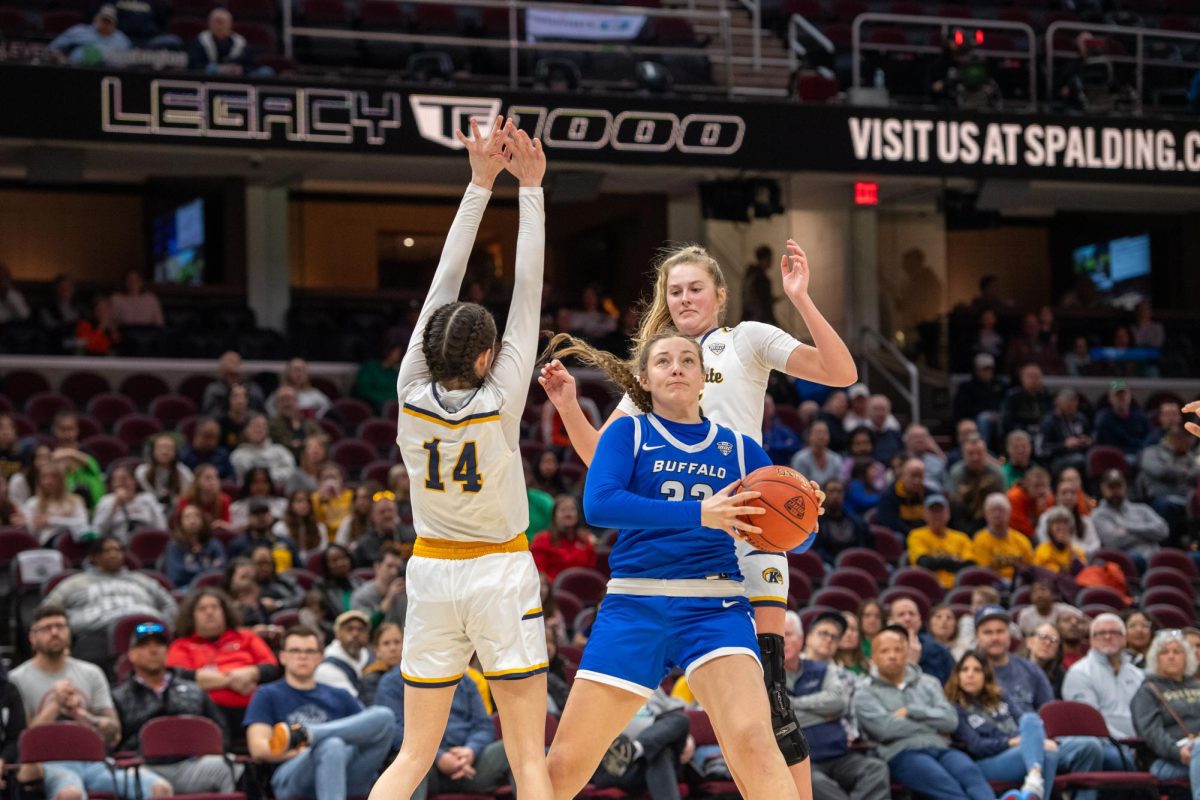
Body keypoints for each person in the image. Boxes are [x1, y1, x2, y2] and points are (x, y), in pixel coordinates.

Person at [539, 171, 854, 795]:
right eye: (674, 291)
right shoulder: (652, 372)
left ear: (718, 295)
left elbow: (839, 371)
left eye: (695, 289)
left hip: (751, 524)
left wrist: (801, 298)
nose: (685, 299)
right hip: (670, 545)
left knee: (769, 704)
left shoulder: (747, 342)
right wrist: (571, 407)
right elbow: (604, 466)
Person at [363, 121, 555, 800]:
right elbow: (526, 293)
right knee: (529, 758)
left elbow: (438, 293)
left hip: (432, 573)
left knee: (413, 755)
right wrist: (529, 191)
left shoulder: (408, 393)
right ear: (484, 357)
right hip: (498, 569)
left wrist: (478, 184)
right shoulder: (500, 399)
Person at [536, 328, 803, 800]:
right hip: (635, 604)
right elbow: (599, 505)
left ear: (705, 378)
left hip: (714, 606)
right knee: (563, 766)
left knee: (757, 744)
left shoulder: (739, 449)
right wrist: (701, 513)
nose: (676, 367)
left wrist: (808, 509)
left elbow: (792, 535)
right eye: (663, 361)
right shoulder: (629, 431)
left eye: (687, 360)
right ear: (644, 378)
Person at [12, 604, 172, 799]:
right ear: (32, 637)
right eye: (46, 628)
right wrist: (55, 705)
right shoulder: (17, 679)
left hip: (95, 762)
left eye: (60, 626)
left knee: (160, 788)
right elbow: (21, 742)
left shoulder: (91, 673)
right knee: (71, 793)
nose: (55, 632)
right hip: (48, 765)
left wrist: (79, 714)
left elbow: (114, 733)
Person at [246, 626, 395, 800]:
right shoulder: (267, 694)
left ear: (320, 657)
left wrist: (311, 740)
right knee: (332, 745)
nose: (302, 656)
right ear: (283, 657)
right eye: (295, 651)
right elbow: (258, 749)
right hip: (294, 775)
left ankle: (306, 734)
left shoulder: (340, 695)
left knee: (385, 716)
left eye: (310, 651)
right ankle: (314, 738)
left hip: (349, 773)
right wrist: (309, 750)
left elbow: (371, 731)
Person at [856, 625, 994, 800]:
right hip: (902, 753)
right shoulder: (865, 693)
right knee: (947, 787)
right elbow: (885, 729)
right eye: (884, 651)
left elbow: (951, 721)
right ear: (873, 658)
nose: (892, 656)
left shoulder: (929, 683)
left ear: (906, 653)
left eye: (898, 650)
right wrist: (931, 723)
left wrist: (911, 711)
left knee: (970, 772)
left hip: (941, 748)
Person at [113, 621, 240, 794]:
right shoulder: (119, 697)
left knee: (230, 767)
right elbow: (115, 743)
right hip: (145, 768)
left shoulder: (194, 690)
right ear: (132, 654)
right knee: (128, 777)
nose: (154, 650)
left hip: (191, 765)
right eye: (145, 645)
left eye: (159, 644)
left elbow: (220, 731)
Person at [374, 645, 514, 799]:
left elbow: (484, 726)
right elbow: (395, 730)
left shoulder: (466, 682)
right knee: (408, 765)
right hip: (426, 763)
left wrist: (470, 751)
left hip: (468, 764)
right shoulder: (392, 682)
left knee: (513, 748)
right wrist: (438, 757)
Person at [785, 612, 890, 800]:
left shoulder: (828, 670)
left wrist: (793, 704)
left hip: (838, 753)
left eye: (834, 637)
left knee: (876, 769)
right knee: (813, 782)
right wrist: (823, 714)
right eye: (823, 633)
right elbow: (777, 718)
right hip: (802, 759)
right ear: (807, 638)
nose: (828, 640)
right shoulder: (769, 673)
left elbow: (838, 704)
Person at [44, 535, 177, 663]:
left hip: (148, 633)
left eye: (117, 550)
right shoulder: (74, 583)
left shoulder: (143, 580)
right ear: (94, 557)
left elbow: (170, 604)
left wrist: (165, 625)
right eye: (107, 551)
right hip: (96, 636)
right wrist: (70, 627)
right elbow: (48, 610)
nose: (113, 554)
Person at [166, 588, 280, 735]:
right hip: (207, 712)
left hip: (255, 709)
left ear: (225, 612)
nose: (209, 612)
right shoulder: (181, 646)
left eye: (214, 607)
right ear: (191, 616)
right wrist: (233, 679)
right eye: (202, 609)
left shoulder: (246, 637)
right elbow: (179, 676)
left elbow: (271, 667)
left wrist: (251, 672)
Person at [947, 650, 1057, 798]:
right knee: (1045, 751)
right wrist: (1012, 742)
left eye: (977, 670)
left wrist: (1031, 741)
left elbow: (1025, 722)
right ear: (957, 675)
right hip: (986, 762)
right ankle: (1034, 780)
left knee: (1031, 720)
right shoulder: (954, 707)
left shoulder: (1000, 696)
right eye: (964, 669)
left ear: (986, 675)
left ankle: (1033, 781)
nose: (970, 675)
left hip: (1022, 750)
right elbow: (976, 746)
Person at [1062, 613, 1146, 767]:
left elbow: (1147, 715)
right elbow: (1090, 723)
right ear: (1091, 640)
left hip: (1140, 744)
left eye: (1114, 632)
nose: (1108, 637)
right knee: (1122, 760)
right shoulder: (1080, 672)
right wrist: (1127, 743)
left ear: (1124, 638)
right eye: (1101, 633)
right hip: (1103, 744)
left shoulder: (1138, 675)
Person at [1131, 629, 1200, 798]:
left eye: (1177, 652)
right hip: (1168, 760)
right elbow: (1151, 733)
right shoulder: (1148, 691)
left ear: (1187, 657)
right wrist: (1177, 752)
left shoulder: (1197, 686)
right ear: (1155, 658)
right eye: (1164, 652)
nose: (1171, 656)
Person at [1092, 469, 1169, 562]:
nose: (1116, 491)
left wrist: (1127, 527)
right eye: (1111, 487)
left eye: (1119, 486)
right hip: (1128, 564)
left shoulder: (1142, 509)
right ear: (1103, 488)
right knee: (1135, 558)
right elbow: (1114, 541)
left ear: (1125, 486)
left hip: (1155, 559)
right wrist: (1150, 534)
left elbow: (1163, 531)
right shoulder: (1098, 515)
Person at [1140, 425, 1199, 542]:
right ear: (1173, 439)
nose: (1189, 444)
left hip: (1185, 496)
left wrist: (1176, 472)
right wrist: (1183, 472)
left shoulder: (1188, 455)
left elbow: (1197, 471)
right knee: (1168, 506)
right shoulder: (1152, 452)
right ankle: (1167, 545)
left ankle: (1193, 541)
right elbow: (1160, 471)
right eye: (1185, 439)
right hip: (1160, 496)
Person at [906, 494, 974, 589]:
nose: (937, 515)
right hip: (928, 588)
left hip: (955, 587)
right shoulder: (916, 535)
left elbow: (969, 566)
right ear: (925, 514)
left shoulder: (961, 537)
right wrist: (952, 561)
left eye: (940, 511)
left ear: (948, 514)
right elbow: (924, 562)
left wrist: (937, 562)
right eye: (933, 511)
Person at [943, 435, 1005, 533]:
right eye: (970, 454)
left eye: (979, 453)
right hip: (964, 515)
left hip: (988, 516)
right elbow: (954, 500)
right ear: (963, 455)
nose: (975, 457)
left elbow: (1003, 500)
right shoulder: (956, 472)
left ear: (985, 454)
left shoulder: (996, 473)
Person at [92, 463, 168, 542]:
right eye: (116, 480)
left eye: (124, 479)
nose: (120, 483)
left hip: (146, 544)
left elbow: (161, 526)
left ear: (134, 481)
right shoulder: (106, 501)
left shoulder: (147, 499)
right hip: (118, 545)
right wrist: (115, 504)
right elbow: (98, 530)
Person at [888, 596, 954, 684]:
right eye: (901, 614)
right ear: (891, 620)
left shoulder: (938, 649)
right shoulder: (882, 648)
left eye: (912, 614)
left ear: (919, 619)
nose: (907, 618)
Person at [21, 460, 88, 544]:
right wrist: (29, 523)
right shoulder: (32, 503)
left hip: (70, 545)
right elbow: (30, 532)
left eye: (53, 477)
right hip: (42, 547)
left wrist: (51, 521)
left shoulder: (74, 501)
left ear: (61, 479)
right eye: (44, 477)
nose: (48, 482)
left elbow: (82, 524)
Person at [530, 494, 596, 580]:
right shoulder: (542, 540)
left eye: (572, 509)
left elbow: (592, 573)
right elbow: (539, 575)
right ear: (554, 516)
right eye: (563, 510)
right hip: (554, 590)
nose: (568, 514)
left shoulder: (585, 540)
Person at [970, 493, 1033, 583]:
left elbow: (1030, 568)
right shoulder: (980, 539)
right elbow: (983, 571)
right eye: (992, 510)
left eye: (1001, 510)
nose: (997, 514)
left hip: (1019, 584)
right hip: (993, 585)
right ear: (986, 514)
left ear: (1009, 513)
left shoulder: (1021, 540)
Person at [1034, 477, 1100, 556]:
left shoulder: (1085, 521)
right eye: (1064, 492)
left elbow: (1095, 547)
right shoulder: (1045, 518)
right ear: (1056, 496)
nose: (1068, 497)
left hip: (1082, 562)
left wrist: (1071, 546)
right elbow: (1044, 544)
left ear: (1077, 497)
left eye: (1072, 493)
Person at [163, 504, 226, 588]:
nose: (192, 521)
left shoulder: (214, 544)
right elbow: (177, 575)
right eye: (187, 517)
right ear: (180, 522)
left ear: (203, 520)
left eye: (197, 516)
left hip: (213, 587)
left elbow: (222, 570)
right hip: (185, 588)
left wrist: (191, 571)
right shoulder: (174, 546)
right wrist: (210, 568)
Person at [315, 610, 372, 698]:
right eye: (349, 629)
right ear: (338, 634)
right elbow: (351, 701)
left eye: (361, 629)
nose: (355, 634)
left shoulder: (370, 656)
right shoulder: (327, 666)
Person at [48, 3, 131, 64]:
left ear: (115, 24)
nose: (105, 24)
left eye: (108, 21)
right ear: (96, 18)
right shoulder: (79, 31)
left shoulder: (122, 40)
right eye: (103, 20)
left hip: (107, 75)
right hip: (74, 70)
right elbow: (53, 47)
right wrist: (62, 59)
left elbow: (127, 62)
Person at [811, 478, 869, 563]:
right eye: (831, 491)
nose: (835, 495)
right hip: (826, 564)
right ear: (823, 495)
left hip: (854, 563)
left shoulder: (857, 522)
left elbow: (864, 547)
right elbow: (816, 550)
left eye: (839, 491)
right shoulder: (816, 523)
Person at [1037, 389, 1092, 475]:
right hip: (1056, 459)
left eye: (1074, 404)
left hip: (1080, 453)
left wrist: (1087, 441)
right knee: (1081, 460)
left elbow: (1089, 435)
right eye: (1068, 405)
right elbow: (1040, 450)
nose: (1072, 408)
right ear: (1058, 403)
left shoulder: (1080, 419)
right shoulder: (1048, 422)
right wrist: (1063, 445)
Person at [136, 434, 194, 515]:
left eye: (169, 449)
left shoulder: (184, 472)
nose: (164, 452)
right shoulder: (142, 472)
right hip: (149, 511)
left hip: (176, 512)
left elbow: (187, 497)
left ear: (175, 452)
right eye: (160, 448)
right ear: (153, 451)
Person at [351, 543, 406, 629]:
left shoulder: (403, 594)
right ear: (377, 566)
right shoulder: (361, 596)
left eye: (397, 568)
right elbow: (366, 628)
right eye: (389, 566)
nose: (394, 572)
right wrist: (389, 598)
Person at [231, 414, 296, 486]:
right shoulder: (238, 454)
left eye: (263, 426)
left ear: (268, 431)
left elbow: (290, 472)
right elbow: (250, 477)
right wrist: (274, 471)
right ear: (246, 430)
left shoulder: (280, 451)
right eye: (255, 426)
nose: (259, 429)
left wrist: (268, 476)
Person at [875, 457, 931, 535]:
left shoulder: (931, 494)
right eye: (913, 476)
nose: (917, 481)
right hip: (904, 535)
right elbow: (890, 524)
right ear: (903, 476)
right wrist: (914, 534)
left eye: (920, 476)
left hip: (926, 535)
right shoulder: (889, 496)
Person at [201, 352, 266, 417]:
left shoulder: (253, 388)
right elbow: (209, 415)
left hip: (249, 424)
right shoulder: (214, 389)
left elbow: (260, 413)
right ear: (222, 367)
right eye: (231, 361)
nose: (235, 364)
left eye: (237, 361)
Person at [1094, 381, 1150, 457]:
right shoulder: (1104, 419)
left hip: (1141, 453)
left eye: (1124, 395)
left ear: (1130, 396)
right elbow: (1106, 445)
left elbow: (1148, 439)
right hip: (1116, 456)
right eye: (1117, 395)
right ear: (1110, 398)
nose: (1121, 398)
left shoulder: (1141, 417)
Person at [268, 386, 324, 459]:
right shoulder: (271, 425)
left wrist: (301, 444)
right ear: (276, 404)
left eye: (289, 399)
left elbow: (323, 439)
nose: (286, 404)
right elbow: (281, 445)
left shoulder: (308, 423)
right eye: (282, 400)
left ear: (297, 402)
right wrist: (306, 444)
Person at [1001, 364, 1052, 438]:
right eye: (1031, 377)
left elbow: (1051, 417)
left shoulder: (1047, 396)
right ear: (1022, 378)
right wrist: (1026, 429)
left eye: (1037, 377)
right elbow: (1007, 422)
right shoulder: (1013, 397)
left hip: (1043, 433)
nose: (1034, 380)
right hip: (1021, 433)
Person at [229, 467, 287, 532]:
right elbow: (234, 532)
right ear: (248, 485)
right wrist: (251, 524)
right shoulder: (236, 508)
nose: (260, 487)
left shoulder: (283, 504)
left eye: (264, 482)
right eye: (255, 482)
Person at [275, 488, 327, 560]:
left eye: (307, 501)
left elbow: (323, 552)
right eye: (299, 501)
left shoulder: (320, 527)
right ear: (291, 505)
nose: (304, 505)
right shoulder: (280, 527)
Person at [353, 341, 405, 413]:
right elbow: (363, 390)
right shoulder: (370, 367)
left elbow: (396, 392)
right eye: (397, 352)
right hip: (370, 406)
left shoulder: (394, 373)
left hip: (392, 405)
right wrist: (384, 398)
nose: (399, 355)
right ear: (389, 352)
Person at [1033, 506, 1088, 574]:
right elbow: (1035, 574)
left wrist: (1069, 547)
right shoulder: (1042, 549)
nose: (1062, 527)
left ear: (1070, 527)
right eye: (1057, 523)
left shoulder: (1077, 550)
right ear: (1050, 527)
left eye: (1065, 523)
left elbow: (1083, 573)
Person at [790, 419, 843, 489]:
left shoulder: (836, 459)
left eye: (825, 433)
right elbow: (798, 484)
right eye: (818, 433)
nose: (821, 436)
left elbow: (839, 484)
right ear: (809, 436)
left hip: (830, 497)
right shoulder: (800, 459)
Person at [177, 463, 232, 528]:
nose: (213, 482)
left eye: (216, 477)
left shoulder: (224, 500)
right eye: (208, 478)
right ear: (197, 481)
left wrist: (221, 524)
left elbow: (228, 526)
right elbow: (180, 525)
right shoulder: (186, 499)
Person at [359, 622, 402, 705]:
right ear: (377, 650)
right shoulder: (370, 679)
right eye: (386, 643)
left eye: (397, 642)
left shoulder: (413, 673)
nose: (393, 648)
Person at [1025, 622, 1066, 697]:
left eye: (1054, 640)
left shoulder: (1060, 676)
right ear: (1029, 642)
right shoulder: (1012, 667)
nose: (1047, 643)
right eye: (1043, 636)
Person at [742, 244, 778, 325]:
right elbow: (759, 302)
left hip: (751, 319)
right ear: (765, 259)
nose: (771, 262)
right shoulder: (760, 278)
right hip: (759, 320)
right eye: (769, 259)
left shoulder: (750, 275)